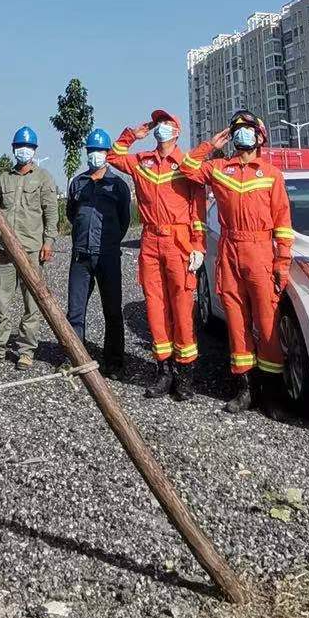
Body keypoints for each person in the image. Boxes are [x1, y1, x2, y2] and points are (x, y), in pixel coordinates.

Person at [180, 110, 293, 418]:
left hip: (260, 253)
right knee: (237, 324)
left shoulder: (271, 174)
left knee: (267, 324)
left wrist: (282, 261)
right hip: (230, 251)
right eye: (236, 130)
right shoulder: (219, 169)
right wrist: (210, 146)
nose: (241, 134)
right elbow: (187, 168)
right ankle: (244, 389)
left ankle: (271, 394)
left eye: (247, 129)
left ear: (259, 137)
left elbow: (283, 223)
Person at [108, 110, 205, 401]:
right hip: (150, 240)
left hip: (179, 241)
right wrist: (130, 136)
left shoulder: (187, 164)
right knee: (155, 307)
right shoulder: (142, 162)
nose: (160, 127)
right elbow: (113, 157)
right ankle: (163, 371)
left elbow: (197, 209)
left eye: (165, 123)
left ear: (176, 131)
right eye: (157, 123)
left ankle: (185, 375)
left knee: (182, 306)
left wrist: (198, 245)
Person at [0, 125, 58, 370]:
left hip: (31, 249)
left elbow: (51, 212)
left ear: (34, 150)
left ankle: (26, 351)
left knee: (31, 302)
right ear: (13, 149)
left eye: (29, 147)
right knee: (2, 301)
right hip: (4, 250)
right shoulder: (4, 178)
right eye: (20, 146)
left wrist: (48, 241)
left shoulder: (43, 178)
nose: (24, 150)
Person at [66, 128, 131, 379]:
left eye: (100, 151)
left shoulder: (118, 186)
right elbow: (72, 214)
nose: (95, 155)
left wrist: (111, 242)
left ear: (108, 154)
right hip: (80, 256)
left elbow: (124, 220)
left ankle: (114, 363)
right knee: (75, 310)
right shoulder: (78, 183)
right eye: (91, 151)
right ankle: (74, 357)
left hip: (108, 256)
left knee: (112, 310)